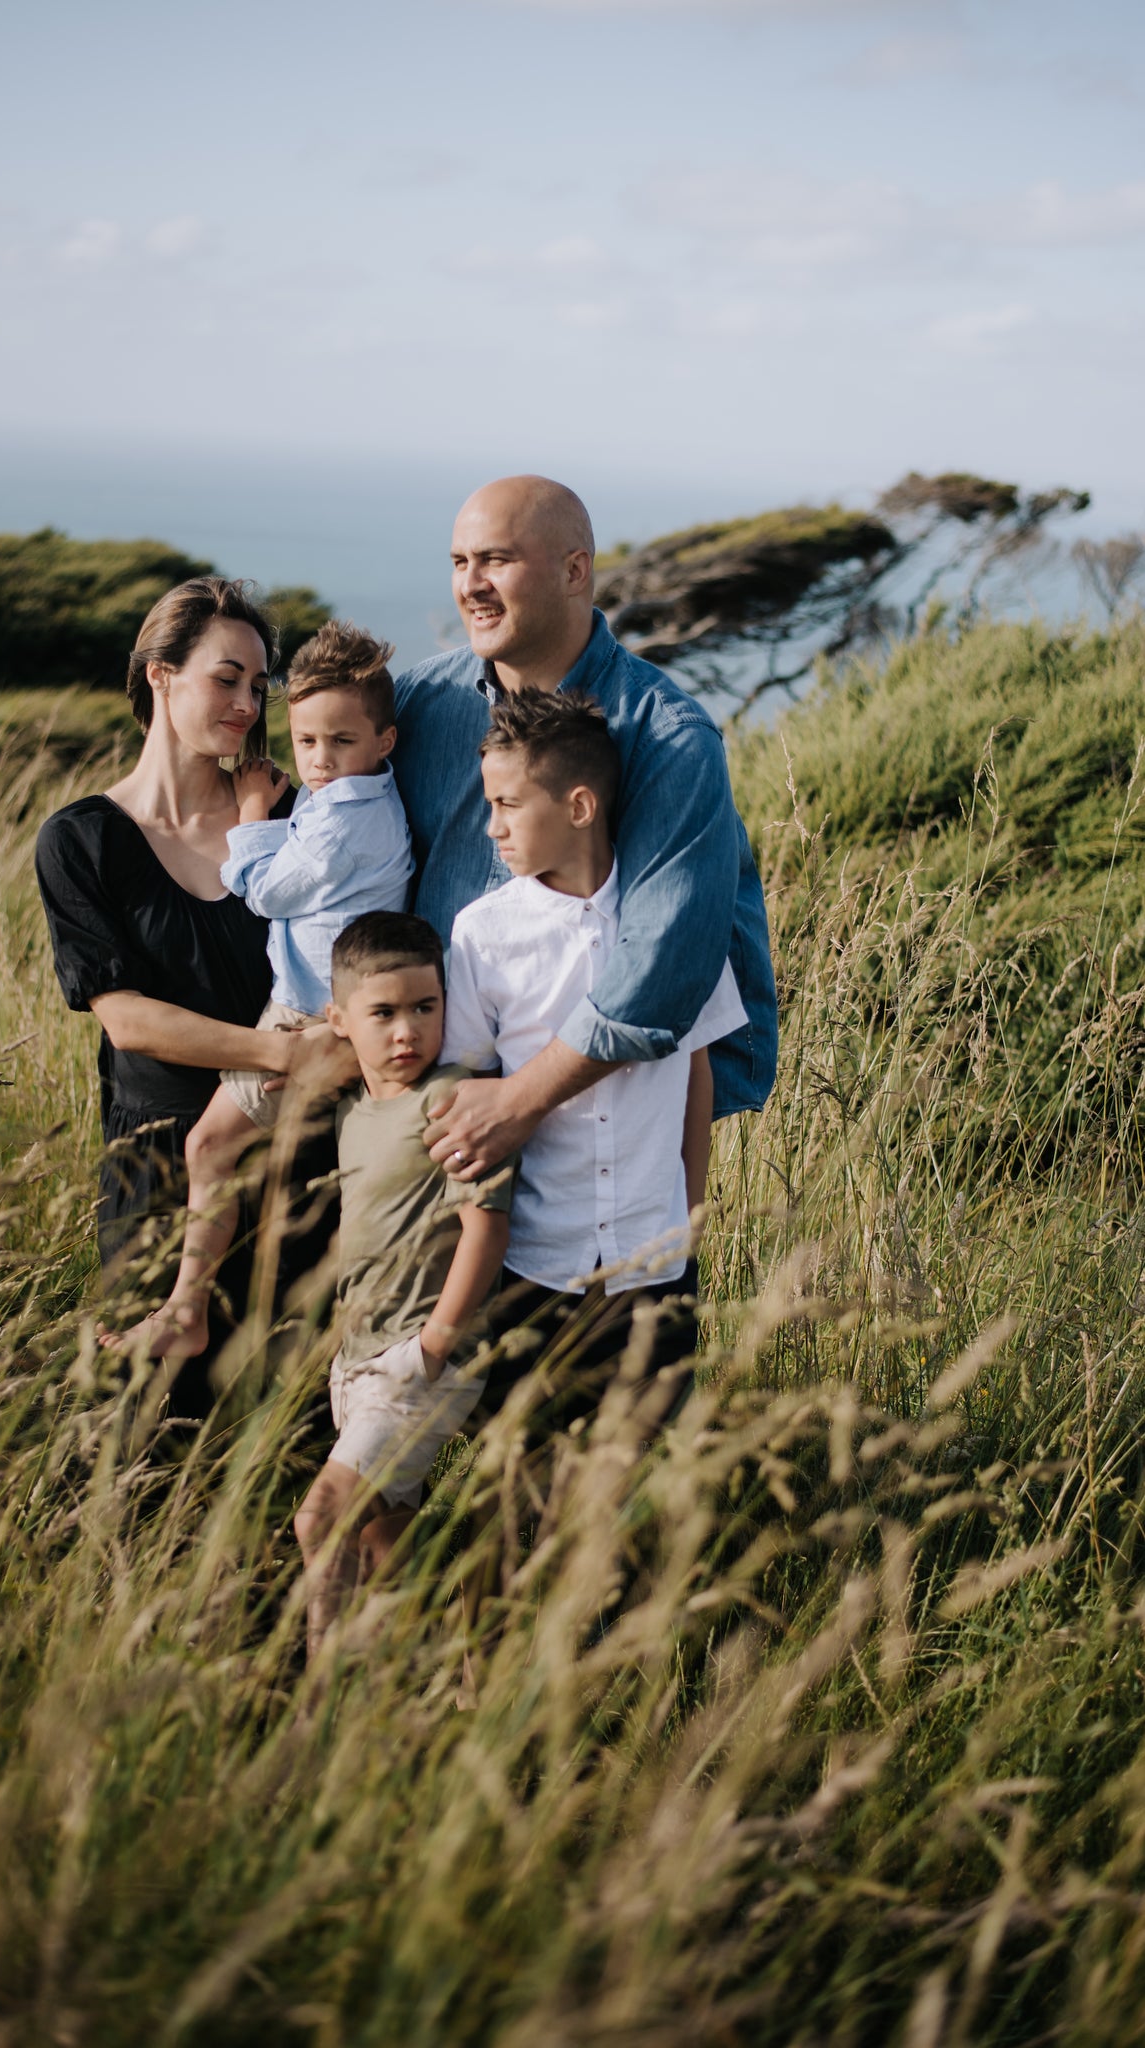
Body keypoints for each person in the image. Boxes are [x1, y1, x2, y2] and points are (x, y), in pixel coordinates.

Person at [385, 475, 777, 1193]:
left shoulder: (667, 736)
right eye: (456, 562)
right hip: (434, 1118)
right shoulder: (418, 705)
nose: (469, 584)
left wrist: (518, 1100)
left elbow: (667, 964)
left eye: (494, 559)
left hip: (601, 1128)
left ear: (574, 570)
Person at [34, 575, 351, 1407]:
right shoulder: (81, 841)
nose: (249, 704)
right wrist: (281, 1052)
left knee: (289, 1428)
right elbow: (127, 1018)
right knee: (152, 1428)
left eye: (258, 684)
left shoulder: (284, 815)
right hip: (159, 1171)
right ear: (159, 674)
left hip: (301, 1158)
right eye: (226, 677)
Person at [107, 621, 413, 1364]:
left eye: (339, 742)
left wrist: (250, 817)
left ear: (384, 742)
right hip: (317, 1013)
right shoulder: (339, 803)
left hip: (312, 1015)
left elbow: (268, 893)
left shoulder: (336, 818)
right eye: (306, 741)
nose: (317, 760)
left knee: (210, 1145)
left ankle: (186, 1310)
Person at [442, 689, 746, 1432]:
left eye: (509, 804)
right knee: (529, 1486)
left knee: (637, 1488)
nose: (493, 827)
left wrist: (690, 1218)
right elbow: (464, 1090)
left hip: (657, 1263)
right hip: (533, 1265)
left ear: (579, 807)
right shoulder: (482, 933)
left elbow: (695, 1071)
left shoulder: (669, 923)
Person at [293, 912, 516, 1662]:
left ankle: (319, 1706)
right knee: (382, 1542)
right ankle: (449, 1676)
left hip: (417, 1363)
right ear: (339, 1020)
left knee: (320, 1518)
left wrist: (435, 1344)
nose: (406, 1032)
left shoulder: (450, 1101)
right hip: (356, 1360)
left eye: (425, 1008)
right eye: (382, 1013)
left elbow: (485, 1225)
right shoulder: (355, 1113)